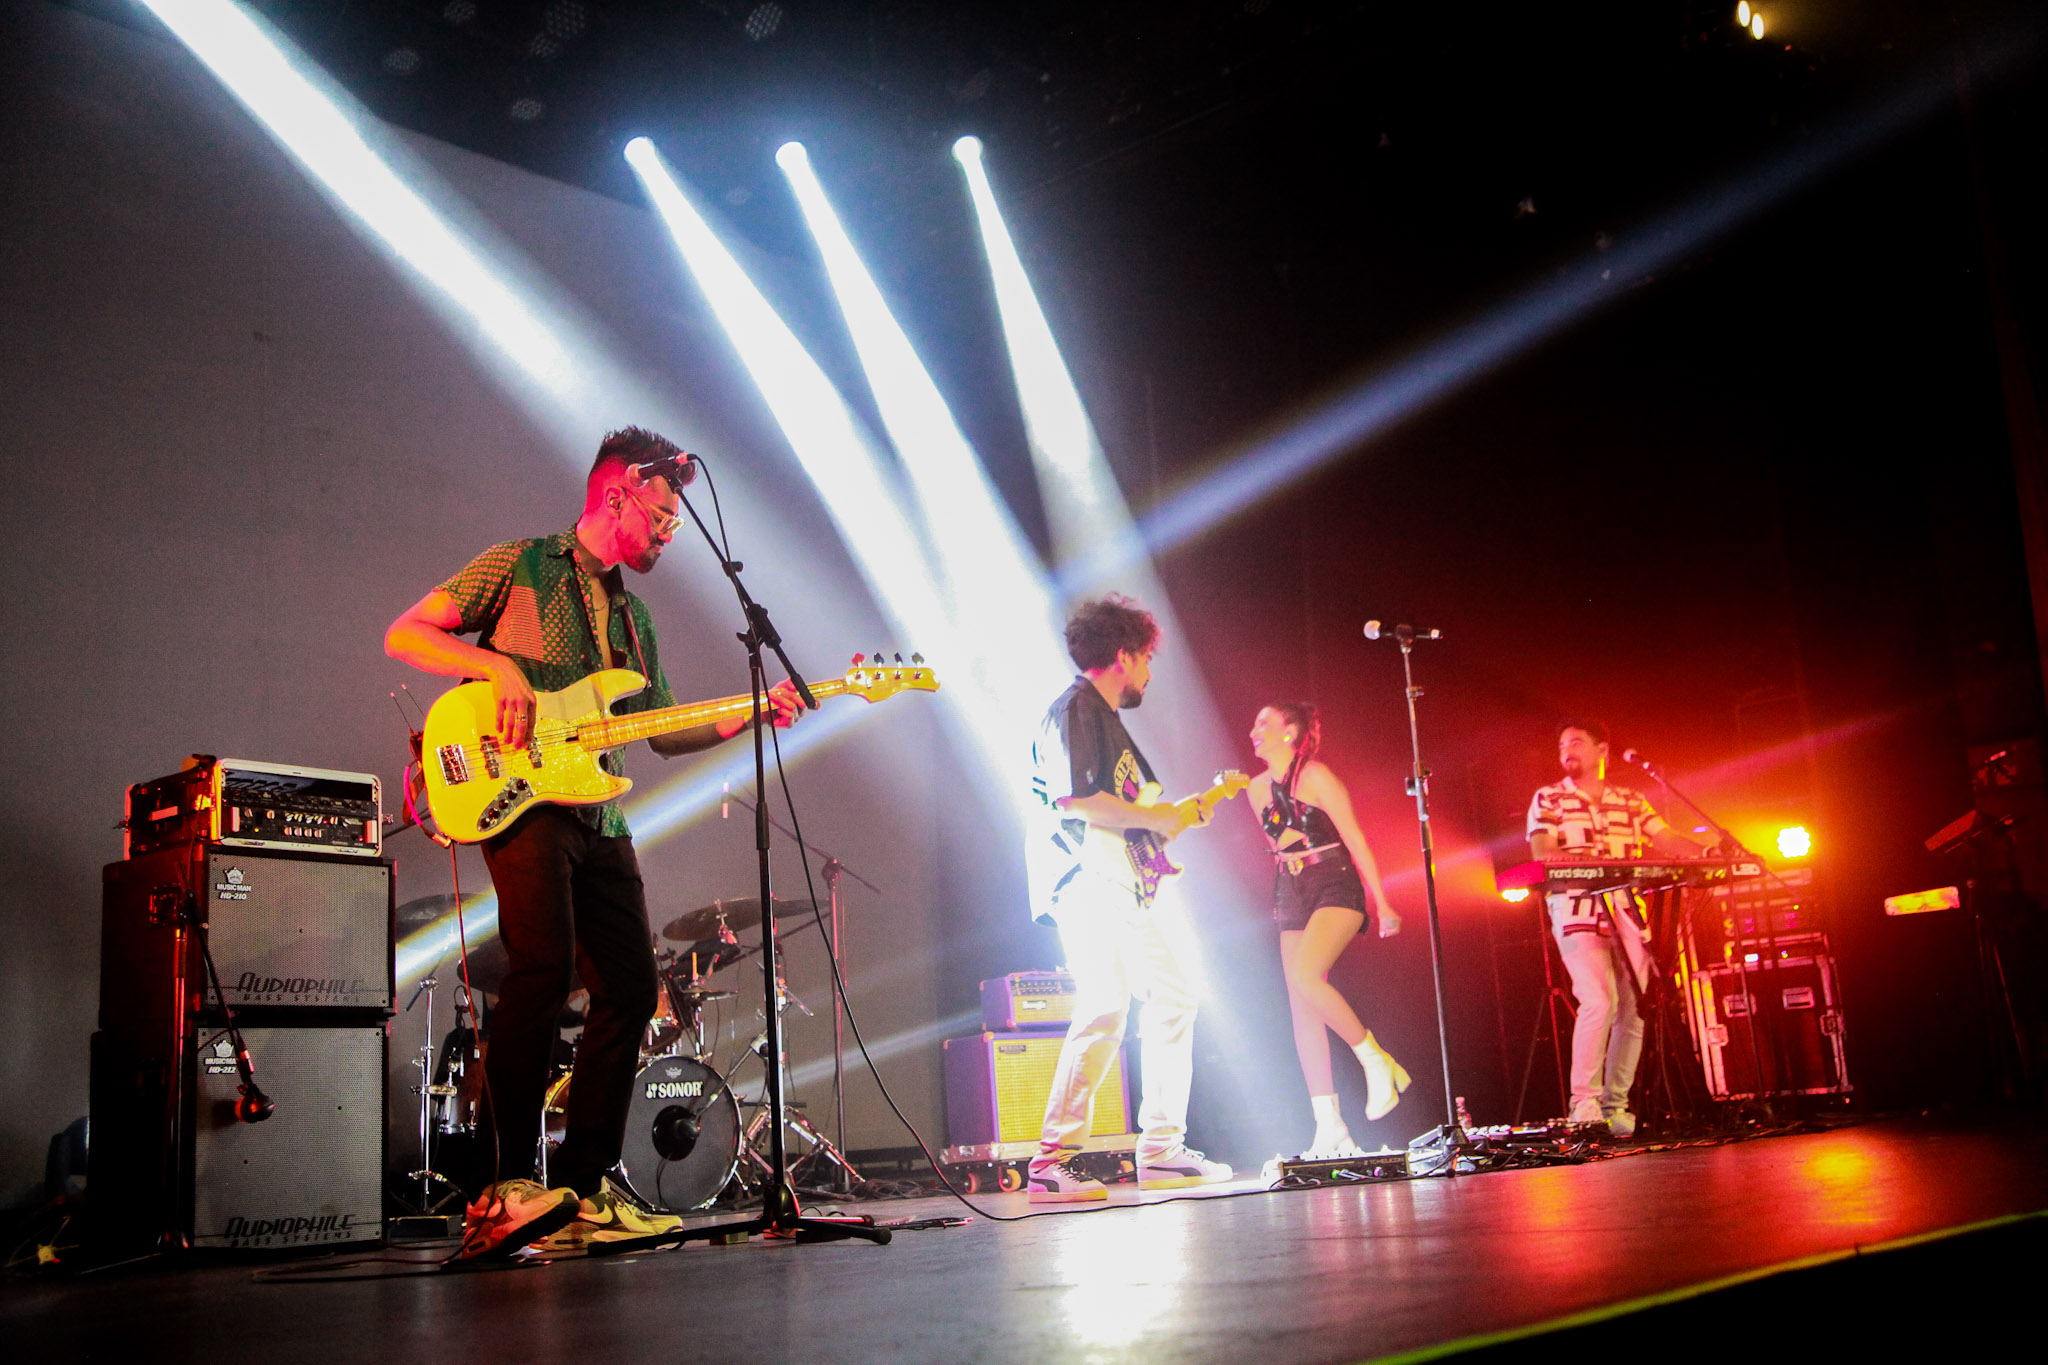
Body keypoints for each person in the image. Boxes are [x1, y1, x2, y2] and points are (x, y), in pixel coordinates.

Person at [386, 427, 802, 1257]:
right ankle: (502, 1188)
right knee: (541, 969)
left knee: (631, 988)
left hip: (602, 817)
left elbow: (664, 731)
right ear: (618, 494)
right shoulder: (520, 564)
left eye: (676, 522)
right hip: (519, 799)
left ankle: (581, 1189)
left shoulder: (635, 618)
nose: (669, 533)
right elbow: (407, 632)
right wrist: (498, 670)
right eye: (662, 516)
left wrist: (757, 709)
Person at [1024, 595, 1234, 1202]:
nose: (1149, 672)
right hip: (1084, 877)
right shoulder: (1075, 709)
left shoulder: (1107, 720)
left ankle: (1162, 1150)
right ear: (1123, 656)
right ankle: (1051, 1162)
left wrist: (1173, 819)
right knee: (1106, 1004)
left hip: (1119, 879)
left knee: (1175, 994)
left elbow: (1133, 818)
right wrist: (1160, 818)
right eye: (1146, 659)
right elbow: (1076, 800)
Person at [1526, 719, 1714, 1138]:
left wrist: (1707, 852)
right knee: (1598, 999)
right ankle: (1584, 1104)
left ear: (1602, 750)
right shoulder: (1548, 798)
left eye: (1576, 742)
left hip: (1627, 909)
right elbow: (1543, 852)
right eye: (1562, 744)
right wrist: (1599, 865)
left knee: (1636, 1007)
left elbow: (1665, 838)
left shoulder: (1630, 800)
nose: (1566, 750)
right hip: (1576, 908)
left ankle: (1616, 1106)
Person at [1247, 703, 1408, 1158]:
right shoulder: (1256, 789)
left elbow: (1355, 837)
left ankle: (1376, 1061)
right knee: (1301, 1004)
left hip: (1333, 878)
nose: (1254, 730)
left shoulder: (1316, 775)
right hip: (1290, 888)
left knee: (1306, 976)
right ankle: (1329, 1125)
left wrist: (1383, 902)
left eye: (1264, 723)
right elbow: (1278, 847)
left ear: (1290, 731)